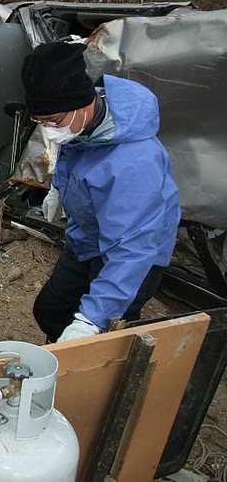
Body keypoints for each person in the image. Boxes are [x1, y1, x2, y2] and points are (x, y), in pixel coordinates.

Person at [21, 42, 181, 343]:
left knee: (101, 335)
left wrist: (90, 320)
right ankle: (64, 356)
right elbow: (74, 153)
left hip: (134, 249)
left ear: (85, 103)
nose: (50, 132)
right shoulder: (80, 124)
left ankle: (90, 373)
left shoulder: (134, 162)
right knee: (51, 309)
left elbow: (131, 249)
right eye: (41, 123)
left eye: (53, 122)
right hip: (90, 234)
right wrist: (58, 188)